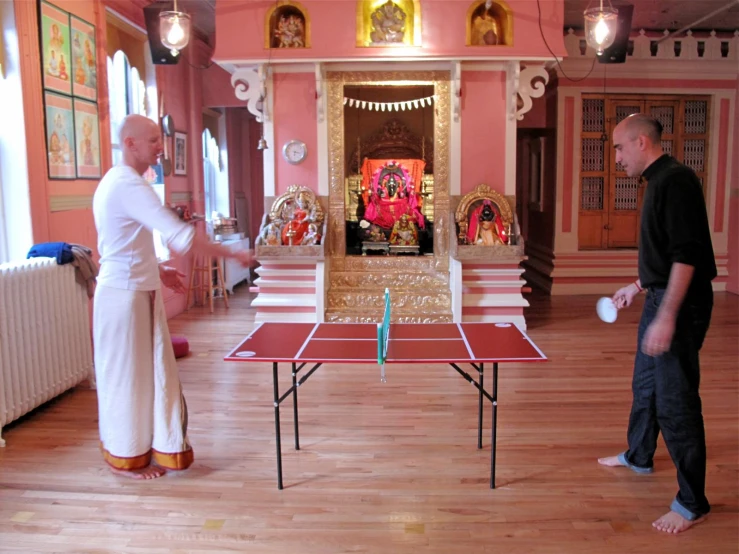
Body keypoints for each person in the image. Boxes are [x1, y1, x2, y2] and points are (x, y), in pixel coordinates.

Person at [92, 114, 252, 480]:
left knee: (144, 376)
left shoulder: (121, 181)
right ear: (129, 143)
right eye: (152, 140)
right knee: (127, 379)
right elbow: (179, 235)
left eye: (159, 140)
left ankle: (139, 450)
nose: (160, 146)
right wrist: (234, 254)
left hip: (132, 290)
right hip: (124, 297)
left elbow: (124, 242)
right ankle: (126, 459)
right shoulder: (128, 184)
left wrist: (158, 270)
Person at [597, 113, 717, 534]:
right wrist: (639, 286)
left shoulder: (676, 181)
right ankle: (639, 455)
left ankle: (691, 503)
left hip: (680, 305)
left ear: (641, 143)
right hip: (662, 296)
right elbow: (666, 257)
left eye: (618, 147)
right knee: (645, 384)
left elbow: (687, 255)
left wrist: (667, 315)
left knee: (675, 400)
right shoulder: (659, 181)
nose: (616, 157)